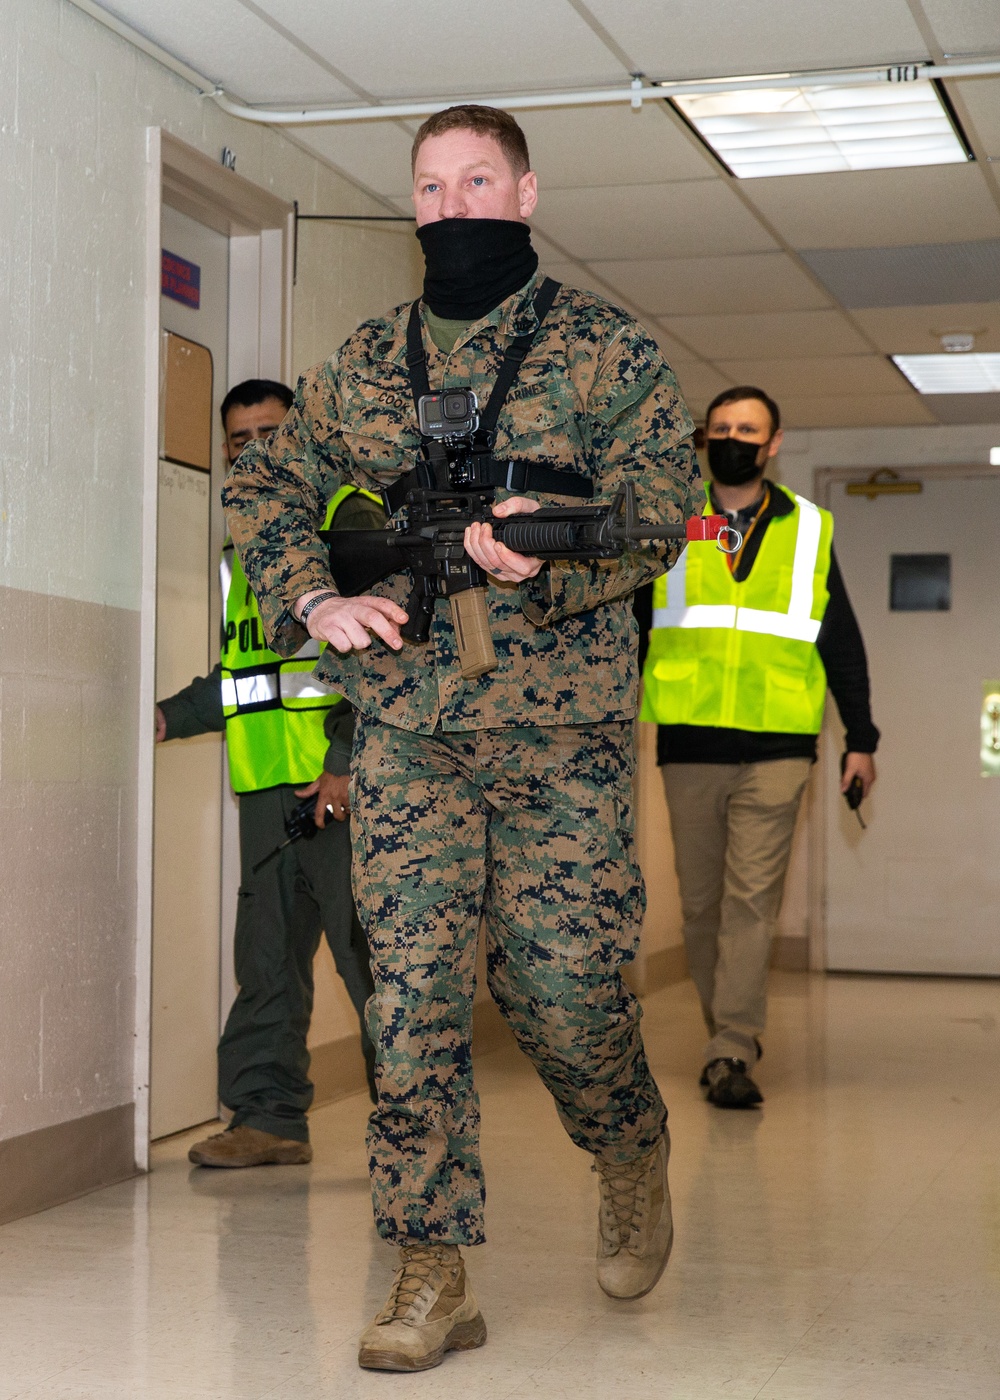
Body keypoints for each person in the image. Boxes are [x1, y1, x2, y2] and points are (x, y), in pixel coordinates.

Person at [223, 105, 702, 1372]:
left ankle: (628, 1139)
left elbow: (671, 510)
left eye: (475, 181)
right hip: (406, 728)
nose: (450, 208)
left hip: (564, 736)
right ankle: (430, 1269)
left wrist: (550, 537)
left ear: (527, 191)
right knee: (414, 1004)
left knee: (561, 990)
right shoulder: (369, 360)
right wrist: (311, 596)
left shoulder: (604, 349)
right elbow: (264, 478)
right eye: (429, 188)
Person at [156, 378, 381, 1170]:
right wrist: (168, 717)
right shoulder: (243, 551)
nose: (252, 450)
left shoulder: (348, 521)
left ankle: (417, 1140)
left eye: (269, 433)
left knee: (378, 968)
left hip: (345, 797)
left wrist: (347, 766)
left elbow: (387, 655)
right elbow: (247, 676)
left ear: (304, 437)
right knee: (265, 962)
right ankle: (269, 1118)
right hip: (268, 798)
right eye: (238, 440)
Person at [637, 385, 879, 1109]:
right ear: (704, 440)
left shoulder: (809, 529)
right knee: (704, 905)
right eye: (722, 428)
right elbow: (631, 633)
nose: (735, 437)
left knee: (752, 898)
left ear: (773, 444)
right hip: (689, 742)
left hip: (780, 742)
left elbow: (841, 640)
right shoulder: (670, 527)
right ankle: (728, 1038)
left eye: (749, 428)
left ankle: (731, 1045)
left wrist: (860, 738)